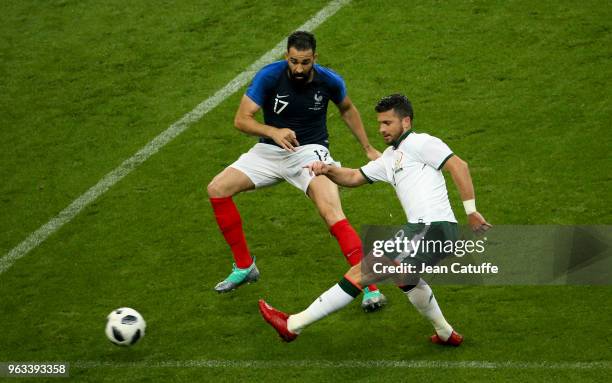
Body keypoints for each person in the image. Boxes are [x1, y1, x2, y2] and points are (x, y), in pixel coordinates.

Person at [259, 93, 492, 345]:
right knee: (405, 278)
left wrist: (471, 211)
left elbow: (459, 166)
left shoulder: (421, 143)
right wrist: (327, 170)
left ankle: (292, 325)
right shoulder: (390, 158)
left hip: (430, 228)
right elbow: (354, 177)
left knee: (360, 272)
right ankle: (446, 333)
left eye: (387, 123)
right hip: (425, 230)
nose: (381, 129)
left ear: (406, 122)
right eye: (380, 123)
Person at [207, 31, 386, 311]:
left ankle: (371, 288)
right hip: (269, 149)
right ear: (286, 57)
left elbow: (347, 109)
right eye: (293, 61)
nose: (299, 68)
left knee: (332, 213)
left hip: (310, 151)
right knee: (217, 189)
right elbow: (241, 119)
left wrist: (367, 147)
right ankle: (245, 266)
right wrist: (272, 132)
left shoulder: (330, 81)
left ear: (315, 58)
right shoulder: (269, 76)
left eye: (305, 62)